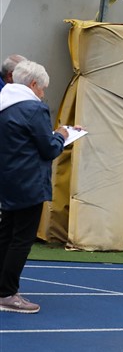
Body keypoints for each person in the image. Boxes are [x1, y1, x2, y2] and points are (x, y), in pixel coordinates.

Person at [0, 60, 69, 313]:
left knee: (5, 235)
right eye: (42, 88)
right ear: (32, 84)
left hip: (7, 178)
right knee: (21, 239)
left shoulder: (4, 104)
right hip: (29, 182)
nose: (42, 93)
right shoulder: (34, 109)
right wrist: (62, 135)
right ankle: (7, 293)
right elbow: (48, 149)